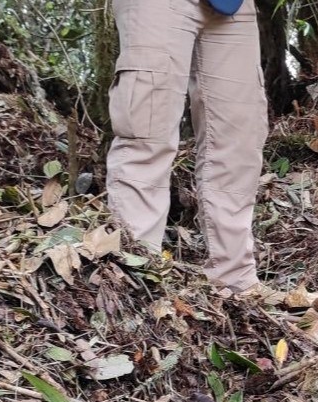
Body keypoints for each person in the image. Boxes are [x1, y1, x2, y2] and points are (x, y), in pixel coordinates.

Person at [106, 0, 279, 303]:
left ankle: (236, 282)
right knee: (148, 130)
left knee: (239, 140)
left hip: (233, 7)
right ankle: (137, 280)